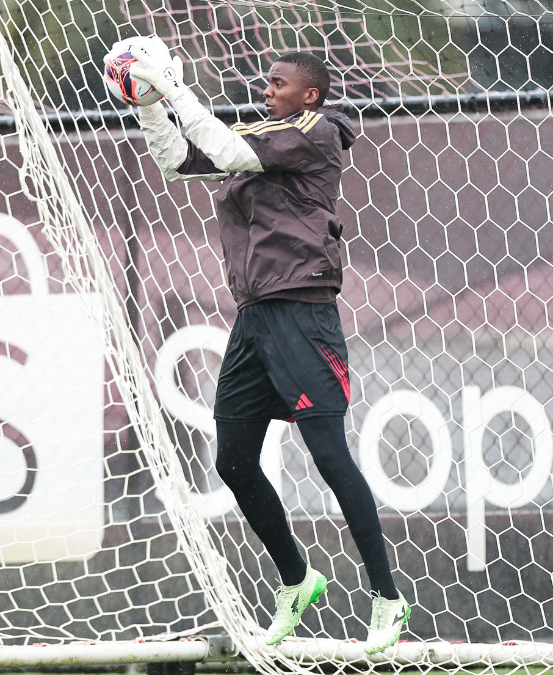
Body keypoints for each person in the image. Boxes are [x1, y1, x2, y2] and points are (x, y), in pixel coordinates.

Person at [115, 37, 411, 654]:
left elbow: (226, 147)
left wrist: (171, 81)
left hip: (303, 312)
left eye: (279, 83)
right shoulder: (259, 137)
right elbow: (178, 160)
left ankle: (387, 597)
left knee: (329, 455)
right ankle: (298, 580)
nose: (267, 90)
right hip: (252, 319)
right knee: (232, 461)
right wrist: (149, 104)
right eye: (267, 82)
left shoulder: (316, 130)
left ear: (310, 94)